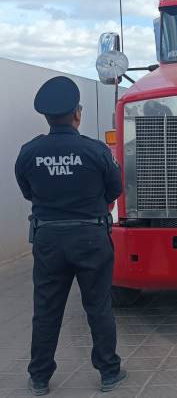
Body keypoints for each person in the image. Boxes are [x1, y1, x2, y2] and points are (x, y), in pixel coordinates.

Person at [14, 76, 127, 396]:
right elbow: (115, 189)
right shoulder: (94, 151)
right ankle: (108, 373)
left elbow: (27, 191)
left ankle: (39, 378)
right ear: (77, 114)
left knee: (46, 309)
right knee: (98, 306)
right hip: (91, 237)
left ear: (47, 117)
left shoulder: (29, 152)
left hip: (49, 240)